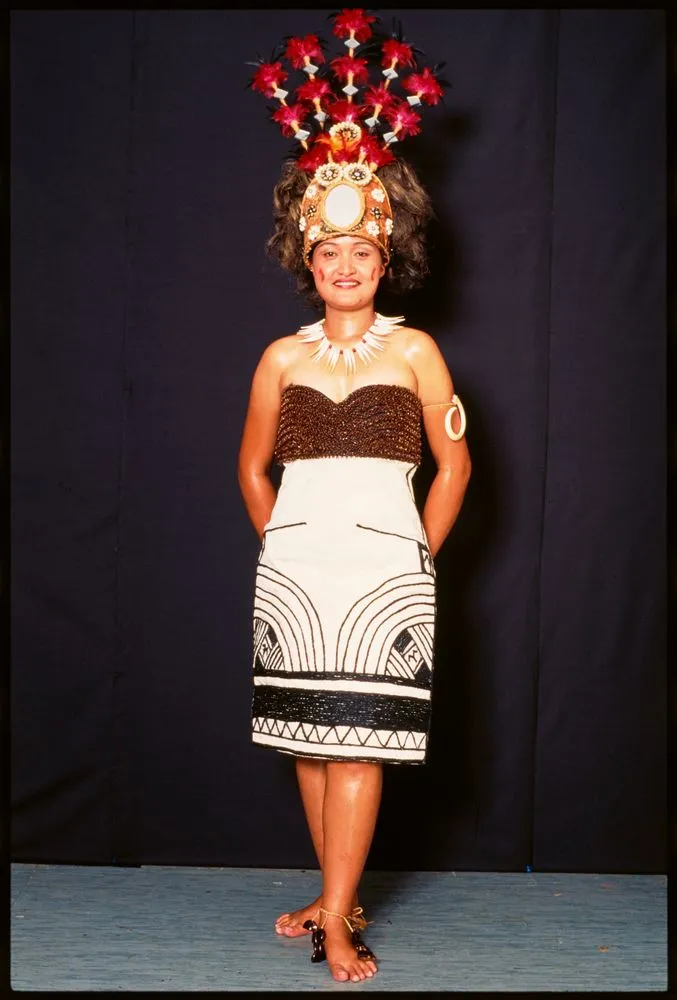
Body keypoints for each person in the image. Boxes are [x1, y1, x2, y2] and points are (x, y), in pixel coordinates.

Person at [238, 10, 471, 984]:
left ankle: (335, 920)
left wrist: (414, 553)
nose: (343, 268)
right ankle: (338, 895)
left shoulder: (415, 351)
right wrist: (280, 540)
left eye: (360, 256)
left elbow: (452, 466)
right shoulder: (279, 358)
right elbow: (252, 467)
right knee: (308, 738)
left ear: (385, 258)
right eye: (327, 256)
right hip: (296, 574)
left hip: (382, 574)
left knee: (360, 749)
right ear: (308, 258)